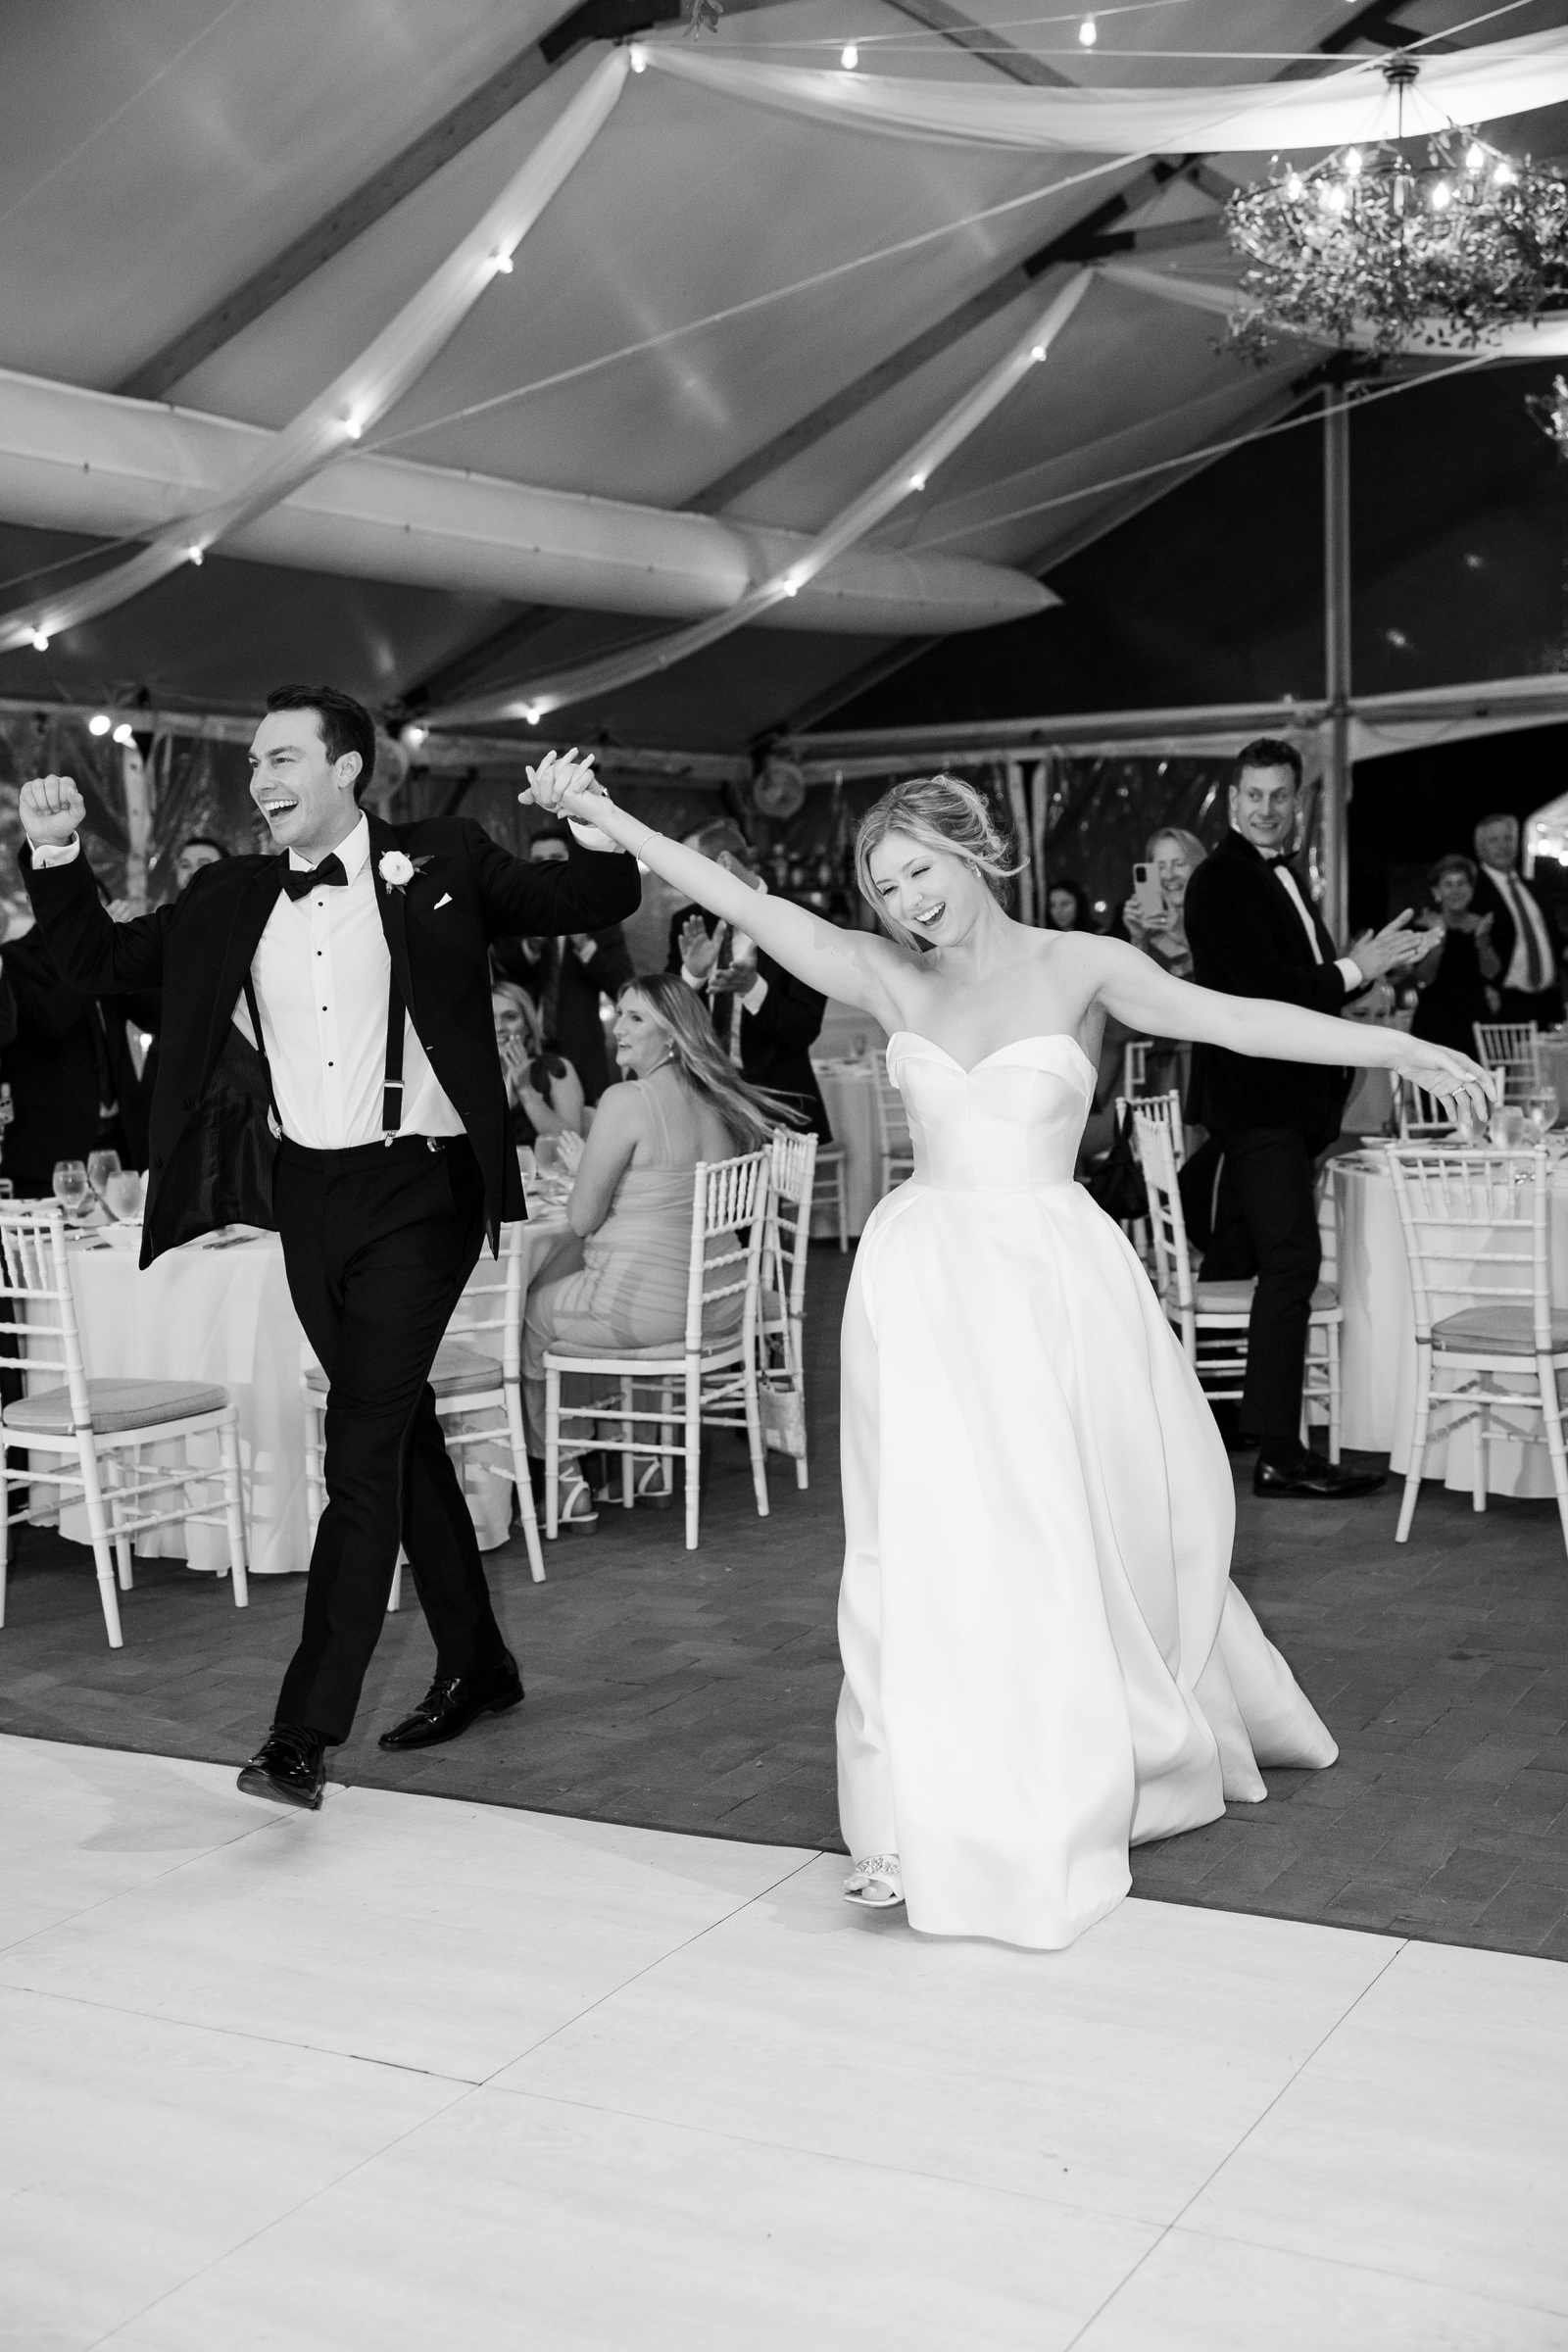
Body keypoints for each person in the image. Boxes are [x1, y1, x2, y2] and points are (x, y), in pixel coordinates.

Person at [520, 754, 1489, 1950]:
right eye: (883, 888)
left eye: (918, 872)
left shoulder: (1080, 966)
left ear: (968, 848)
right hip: (923, 1286)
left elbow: (1234, 1019)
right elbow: (745, 908)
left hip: (1047, 1284)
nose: (905, 903)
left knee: (1050, 1528)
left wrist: (1402, 1051)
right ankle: (891, 1815)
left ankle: (1059, 1770)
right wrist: (601, 813)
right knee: (912, 1544)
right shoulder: (884, 975)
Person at [18, 692, 639, 1813]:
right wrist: (57, 855)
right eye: (254, 760)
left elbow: (589, 895)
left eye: (283, 757)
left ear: (349, 769)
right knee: (394, 1437)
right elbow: (96, 963)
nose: (260, 776)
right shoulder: (229, 894)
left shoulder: (440, 856)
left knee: (355, 1446)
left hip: (423, 1188)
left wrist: (587, 814)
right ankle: (479, 1662)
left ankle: (303, 1732)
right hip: (309, 1192)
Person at [1183, 739, 1439, 1503]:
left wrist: (1362, 976)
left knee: (1250, 1252)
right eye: (1253, 795)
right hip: (1258, 1104)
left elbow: (1309, 990)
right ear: (1233, 803)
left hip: (1284, 1107)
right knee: (1291, 1262)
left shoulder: (1283, 875)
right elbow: (1264, 992)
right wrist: (1359, 967)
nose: (1266, 808)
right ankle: (1281, 1454)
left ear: (1297, 803)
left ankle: (1225, 1420)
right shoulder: (1221, 880)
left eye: (1279, 795)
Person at [521, 973, 798, 1528]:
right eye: (618, 1013)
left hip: (652, 1308)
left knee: (532, 1313)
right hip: (720, 1299)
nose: (618, 1028)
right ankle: (644, 1458)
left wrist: (584, 1172)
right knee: (596, 1290)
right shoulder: (719, 1100)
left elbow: (580, 1219)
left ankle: (567, 1477)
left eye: (635, 1018)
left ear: (672, 1035)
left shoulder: (627, 1100)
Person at [666, 820, 831, 1142]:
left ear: (725, 862)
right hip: (704, 1102)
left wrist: (752, 989)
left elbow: (803, 1028)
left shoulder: (803, 920)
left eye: (689, 869)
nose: (683, 882)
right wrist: (692, 976)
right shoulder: (689, 923)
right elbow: (667, 1017)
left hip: (778, 1108)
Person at [0, 923, 156, 1189]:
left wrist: (132, 959)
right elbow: (46, 1021)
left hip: (123, 1139)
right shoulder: (17, 956)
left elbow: (156, 1018)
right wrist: (93, 959)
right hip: (52, 1148)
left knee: (129, 1226)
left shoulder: (108, 954)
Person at [491, 825, 635, 1102]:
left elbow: (623, 984)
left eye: (555, 859)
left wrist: (585, 944)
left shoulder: (600, 916)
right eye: (537, 861)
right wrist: (531, 944)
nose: (545, 868)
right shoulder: (513, 912)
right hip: (520, 1048)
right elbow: (502, 973)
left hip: (581, 1050)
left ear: (572, 862)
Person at [1471, 811, 1562, 1030]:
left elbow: (1553, 938)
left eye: (1508, 838)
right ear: (1480, 848)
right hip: (1503, 1006)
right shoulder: (1473, 892)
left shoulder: (1533, 888)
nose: (1503, 846)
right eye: (1494, 840)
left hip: (1546, 1003)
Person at [1410, 855, 1502, 1057]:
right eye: (1449, 884)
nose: (1456, 890)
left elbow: (1492, 972)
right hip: (1434, 1019)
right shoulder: (1424, 926)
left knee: (1478, 1084)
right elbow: (1424, 977)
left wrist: (1482, 942)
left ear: (1471, 889)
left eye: (1462, 883)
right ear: (1437, 891)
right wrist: (1438, 940)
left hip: (1475, 1020)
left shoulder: (1483, 924)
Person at [492, 979, 585, 1150]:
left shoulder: (553, 1069)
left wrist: (525, 1088)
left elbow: (571, 1144)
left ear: (528, 1026)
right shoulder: (470, 1076)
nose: (499, 1027)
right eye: (490, 1018)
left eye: (510, 1017)